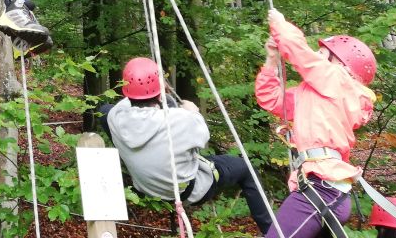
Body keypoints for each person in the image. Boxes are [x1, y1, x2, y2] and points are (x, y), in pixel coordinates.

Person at [100, 57, 273, 233]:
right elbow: (202, 138)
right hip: (186, 190)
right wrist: (193, 111)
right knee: (247, 169)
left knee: (104, 111)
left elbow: (118, 106)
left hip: (146, 187)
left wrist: (161, 95)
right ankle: (271, 232)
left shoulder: (116, 117)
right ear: (159, 91)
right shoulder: (179, 119)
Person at [255, 9, 377, 238]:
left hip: (323, 188)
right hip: (321, 187)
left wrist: (280, 25)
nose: (317, 57)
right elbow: (272, 99)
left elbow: (301, 55)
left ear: (341, 65)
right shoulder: (316, 92)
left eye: (322, 53)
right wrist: (271, 60)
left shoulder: (338, 81)